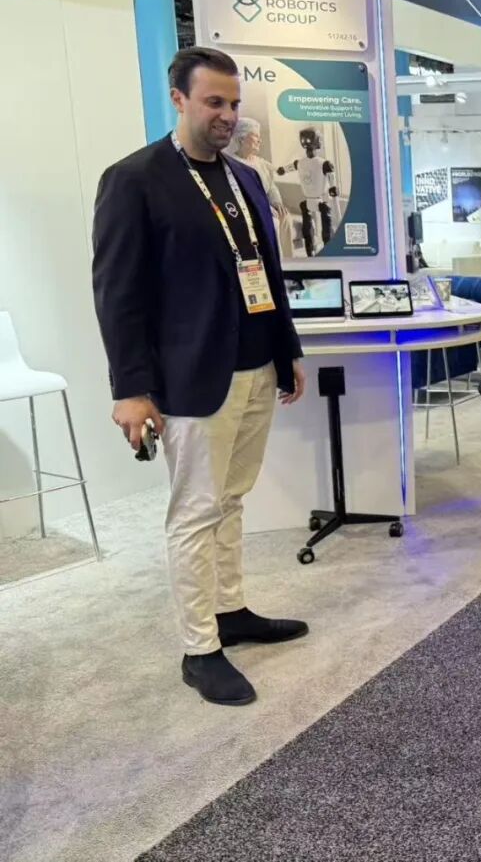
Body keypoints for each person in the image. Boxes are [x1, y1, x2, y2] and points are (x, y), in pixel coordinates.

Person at [91, 47, 308, 707]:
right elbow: (118, 293)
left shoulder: (243, 177)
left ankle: (230, 610)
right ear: (179, 99)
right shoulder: (134, 179)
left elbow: (266, 273)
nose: (228, 115)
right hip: (191, 380)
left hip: (257, 366)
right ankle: (199, 647)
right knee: (194, 511)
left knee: (231, 499)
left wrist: (288, 350)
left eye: (234, 103)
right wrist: (131, 389)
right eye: (214, 101)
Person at [226, 118, 292, 258]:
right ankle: (274, 262)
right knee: (273, 223)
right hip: (245, 209)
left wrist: (277, 202)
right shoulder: (231, 164)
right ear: (241, 138)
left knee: (285, 217)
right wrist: (264, 208)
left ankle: (288, 262)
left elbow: (271, 187)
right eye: (255, 136)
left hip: (265, 206)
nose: (259, 141)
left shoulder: (261, 163)